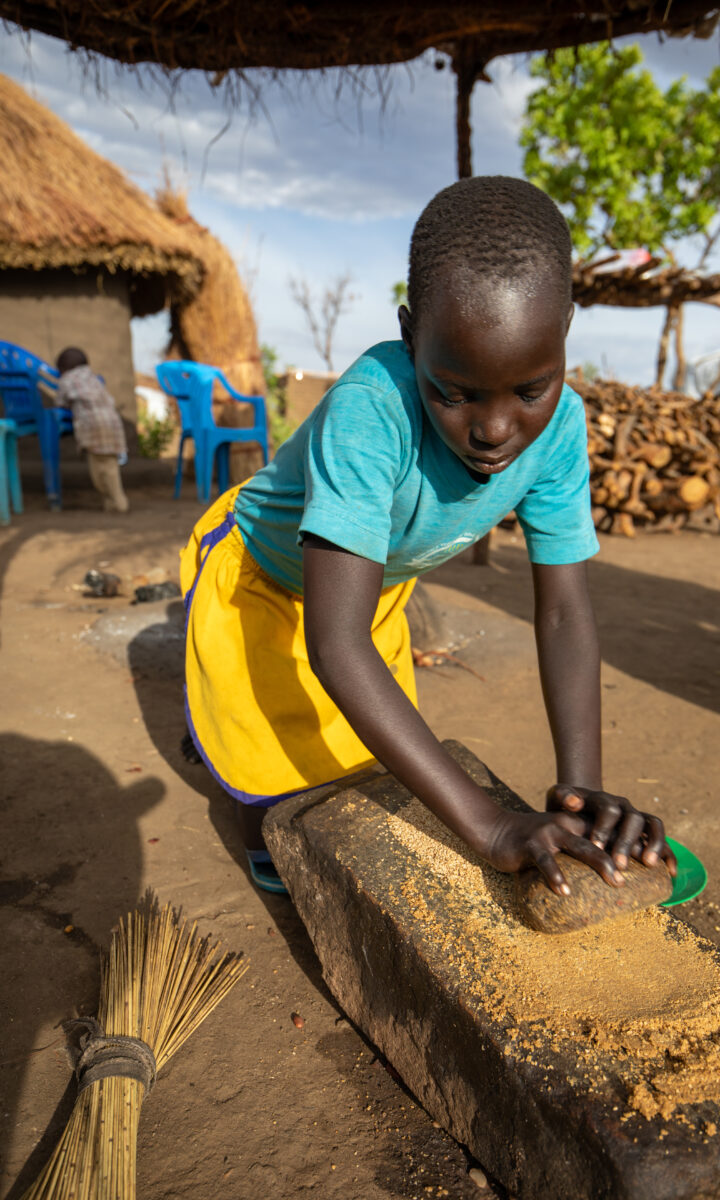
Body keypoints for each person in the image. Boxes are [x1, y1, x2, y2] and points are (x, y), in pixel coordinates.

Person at [180, 176, 676, 894]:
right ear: (412, 336)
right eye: (455, 392)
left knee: (360, 770)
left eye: (530, 390)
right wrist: (487, 824)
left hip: (368, 590)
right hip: (261, 577)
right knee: (279, 813)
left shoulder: (563, 430)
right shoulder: (369, 411)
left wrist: (579, 793)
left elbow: (566, 610)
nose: (495, 431)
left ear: (565, 330)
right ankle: (212, 730)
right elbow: (336, 644)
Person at [45, 348, 129, 513]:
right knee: (111, 467)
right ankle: (113, 502)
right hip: (113, 425)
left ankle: (118, 502)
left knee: (98, 471)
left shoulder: (67, 380)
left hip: (93, 428)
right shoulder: (94, 378)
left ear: (62, 368)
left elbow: (60, 402)